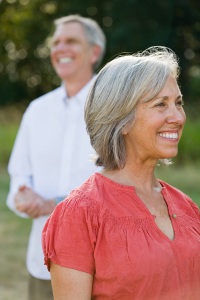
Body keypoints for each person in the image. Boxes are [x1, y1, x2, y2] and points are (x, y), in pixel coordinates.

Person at [42, 46, 200, 300]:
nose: (178, 117)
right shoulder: (80, 214)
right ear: (121, 119)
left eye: (178, 103)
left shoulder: (187, 208)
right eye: (161, 104)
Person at [6, 14, 106, 300]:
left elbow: (124, 182)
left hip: (101, 263)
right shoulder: (37, 110)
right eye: (56, 42)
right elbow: (19, 176)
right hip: (43, 263)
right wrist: (23, 197)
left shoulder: (115, 107)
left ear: (94, 52)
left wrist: (56, 204)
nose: (60, 48)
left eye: (71, 41)